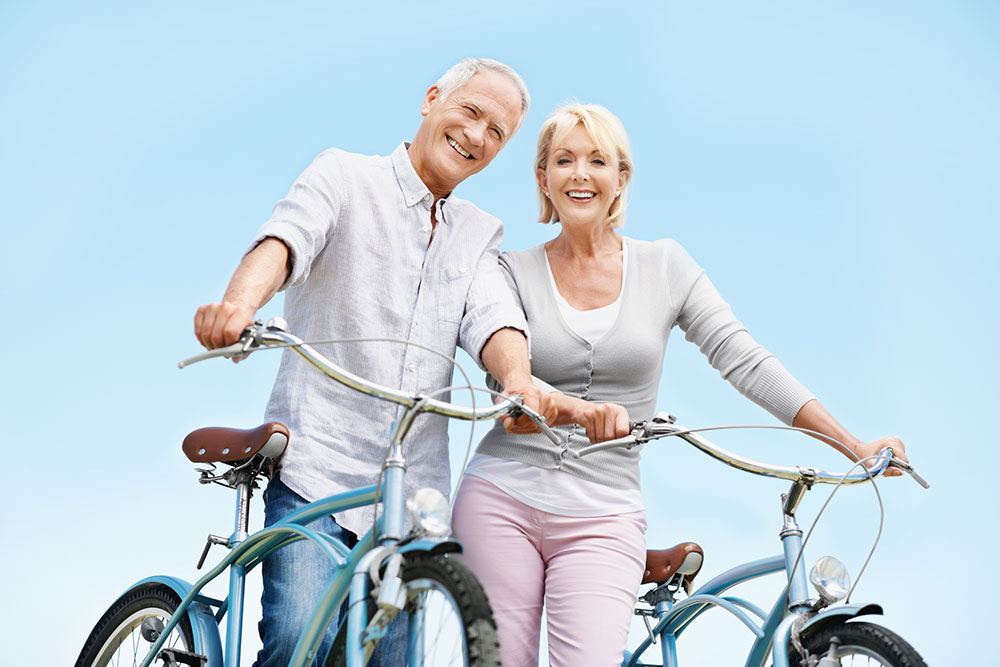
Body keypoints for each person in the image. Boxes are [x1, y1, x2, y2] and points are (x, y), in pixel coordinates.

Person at [451, 103, 911, 667]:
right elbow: (505, 368)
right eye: (563, 160)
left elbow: (744, 358)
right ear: (542, 177)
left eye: (597, 160)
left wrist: (853, 444)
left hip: (604, 511)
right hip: (500, 496)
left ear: (621, 179)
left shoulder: (665, 266)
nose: (579, 174)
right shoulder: (508, 270)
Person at [193, 58, 556, 667]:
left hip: (411, 499)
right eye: (470, 112)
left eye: (498, 132)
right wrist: (238, 306)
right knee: (294, 643)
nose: (477, 136)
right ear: (432, 99)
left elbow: (494, 315)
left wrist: (517, 380)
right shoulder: (344, 176)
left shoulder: (478, 234)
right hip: (318, 469)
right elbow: (285, 241)